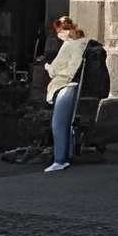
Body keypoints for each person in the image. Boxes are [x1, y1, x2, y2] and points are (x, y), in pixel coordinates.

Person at [44, 15, 89, 173]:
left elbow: (55, 69)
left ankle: (60, 160)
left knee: (58, 124)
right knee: (67, 124)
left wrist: (48, 67)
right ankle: (67, 155)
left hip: (65, 87)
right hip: (78, 87)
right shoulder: (85, 43)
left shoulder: (68, 45)